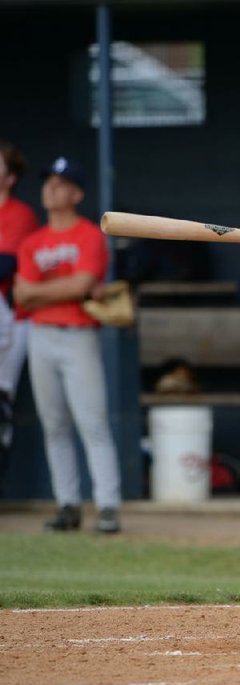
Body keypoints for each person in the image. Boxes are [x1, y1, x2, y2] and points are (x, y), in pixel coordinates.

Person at [14, 156, 122, 533]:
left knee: (92, 422)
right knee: (54, 425)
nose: (51, 188)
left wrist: (46, 292)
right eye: (49, 182)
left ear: (76, 193)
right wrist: (63, 291)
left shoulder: (90, 234)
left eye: (60, 183)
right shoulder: (33, 241)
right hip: (40, 335)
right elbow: (21, 296)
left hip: (79, 335)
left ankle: (107, 506)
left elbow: (81, 285)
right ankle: (68, 504)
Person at [0, 141, 39, 494]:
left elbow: (6, 264)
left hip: (9, 317)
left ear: (10, 177)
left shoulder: (18, 214)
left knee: (1, 403)